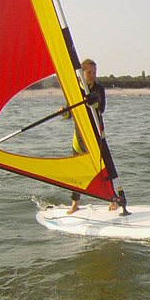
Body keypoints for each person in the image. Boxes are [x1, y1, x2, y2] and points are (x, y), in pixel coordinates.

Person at [67, 58, 107, 214]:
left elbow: (101, 109)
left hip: (97, 133)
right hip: (79, 135)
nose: (92, 75)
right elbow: (69, 114)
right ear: (81, 74)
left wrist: (92, 101)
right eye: (89, 72)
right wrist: (63, 112)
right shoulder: (75, 89)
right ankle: (75, 203)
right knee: (77, 170)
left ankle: (112, 199)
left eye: (94, 72)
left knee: (104, 166)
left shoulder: (99, 89)